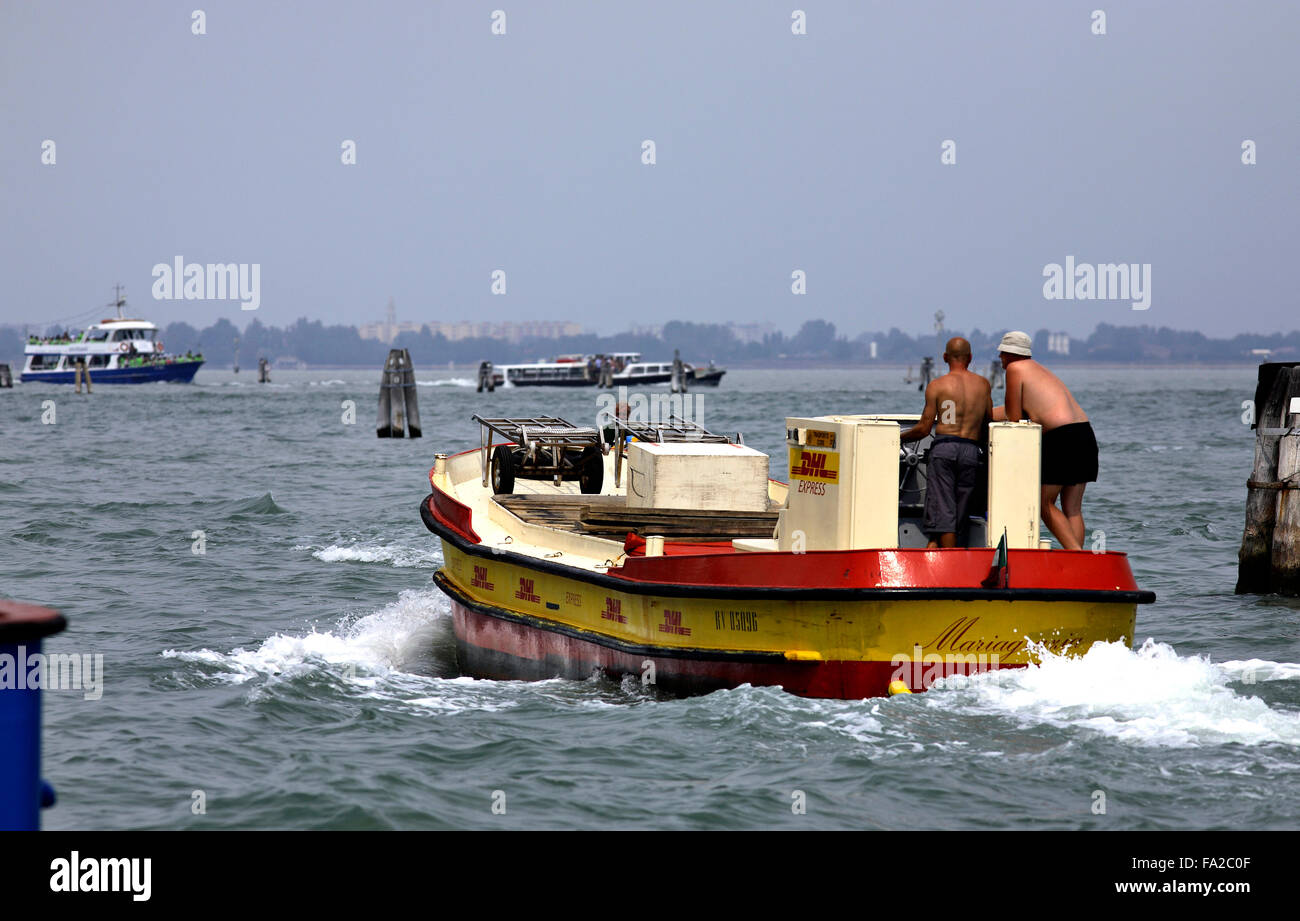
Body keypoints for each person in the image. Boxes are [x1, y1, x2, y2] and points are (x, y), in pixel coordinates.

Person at [991, 330, 1097, 550]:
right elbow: (1030, 409)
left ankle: (1075, 555)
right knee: (1072, 509)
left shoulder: (1014, 369)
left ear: (1009, 354)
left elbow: (1013, 416)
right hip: (1084, 433)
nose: (1000, 359)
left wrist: (982, 414)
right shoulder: (1039, 370)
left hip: (1062, 437)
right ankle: (1081, 562)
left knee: (1043, 504)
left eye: (1001, 354)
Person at [900, 336, 992, 548]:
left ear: (944, 357)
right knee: (961, 511)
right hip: (971, 451)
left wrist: (898, 438)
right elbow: (987, 423)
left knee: (944, 511)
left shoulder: (937, 386)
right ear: (970, 357)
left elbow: (924, 429)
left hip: (944, 450)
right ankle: (943, 551)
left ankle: (946, 563)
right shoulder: (983, 385)